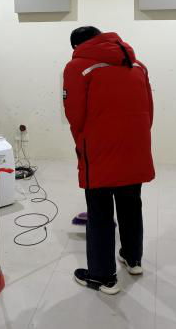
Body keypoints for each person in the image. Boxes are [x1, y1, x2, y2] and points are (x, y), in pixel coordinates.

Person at [63, 26, 154, 295]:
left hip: (99, 149)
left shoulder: (77, 67)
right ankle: (133, 258)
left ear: (77, 46)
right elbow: (149, 110)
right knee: (131, 204)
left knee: (100, 212)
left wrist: (84, 142)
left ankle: (102, 276)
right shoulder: (137, 65)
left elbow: (74, 114)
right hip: (135, 147)